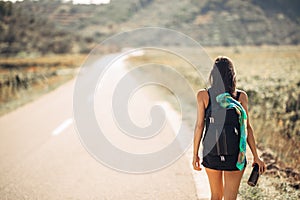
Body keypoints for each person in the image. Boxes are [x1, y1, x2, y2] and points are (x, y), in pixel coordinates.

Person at [192, 56, 266, 200]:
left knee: (215, 196)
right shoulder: (240, 96)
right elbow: (247, 127)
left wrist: (195, 154)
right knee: (231, 198)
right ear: (232, 76)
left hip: (211, 152)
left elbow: (200, 126)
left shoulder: (203, 95)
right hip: (235, 155)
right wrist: (256, 156)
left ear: (213, 75)